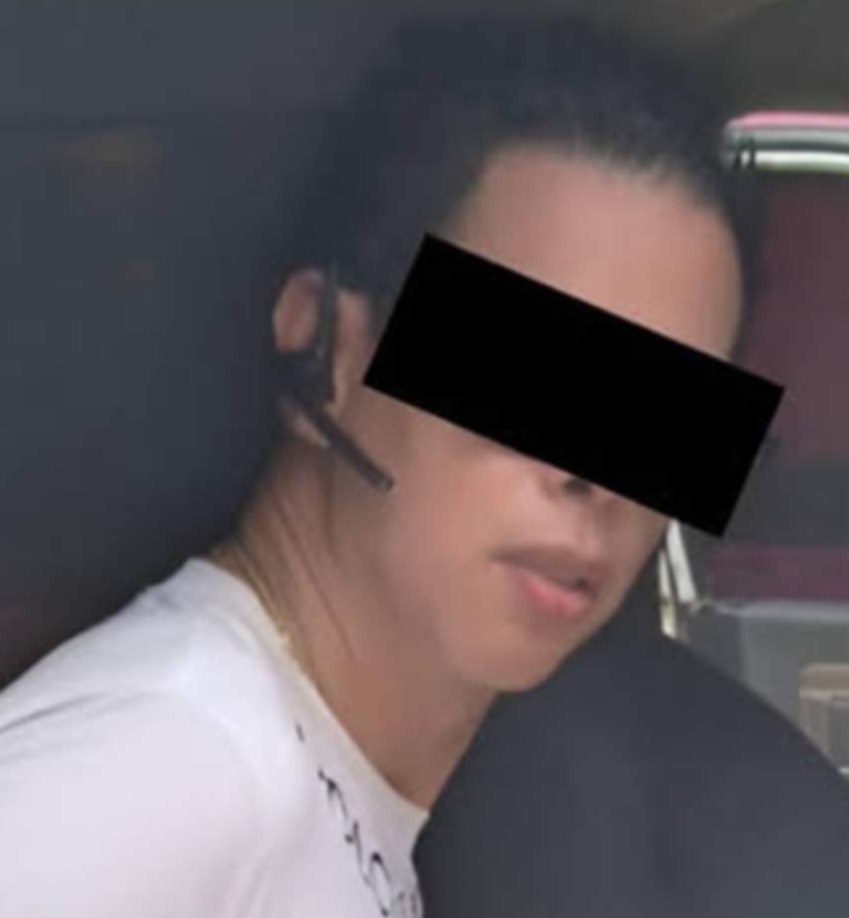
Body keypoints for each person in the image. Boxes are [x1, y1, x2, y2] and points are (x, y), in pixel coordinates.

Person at [0, 10, 788, 917]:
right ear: (326, 347)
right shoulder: (170, 765)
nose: (594, 479)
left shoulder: (316, 783)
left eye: (665, 425)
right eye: (536, 373)